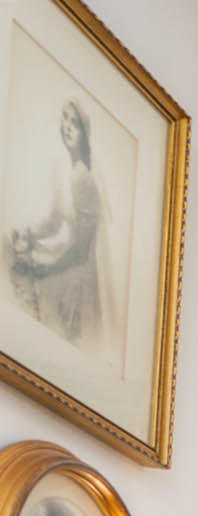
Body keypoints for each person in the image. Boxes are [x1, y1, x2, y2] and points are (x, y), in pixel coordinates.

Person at [8, 100, 109, 350]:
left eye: (74, 123)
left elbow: (81, 251)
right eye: (64, 119)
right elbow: (54, 222)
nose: (67, 127)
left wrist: (47, 268)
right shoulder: (68, 171)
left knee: (31, 282)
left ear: (85, 133)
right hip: (68, 261)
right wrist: (28, 233)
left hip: (79, 277)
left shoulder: (83, 178)